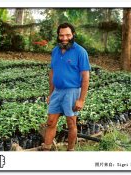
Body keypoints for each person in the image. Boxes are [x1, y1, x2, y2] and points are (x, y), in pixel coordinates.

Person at [43, 22, 91, 151]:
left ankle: (70, 151)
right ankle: (46, 149)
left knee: (71, 123)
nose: (64, 38)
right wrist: (50, 93)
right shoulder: (55, 51)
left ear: (73, 35)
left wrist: (81, 99)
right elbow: (52, 72)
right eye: (61, 35)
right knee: (51, 122)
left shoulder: (80, 52)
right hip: (57, 92)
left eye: (68, 35)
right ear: (58, 36)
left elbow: (86, 77)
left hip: (72, 92)